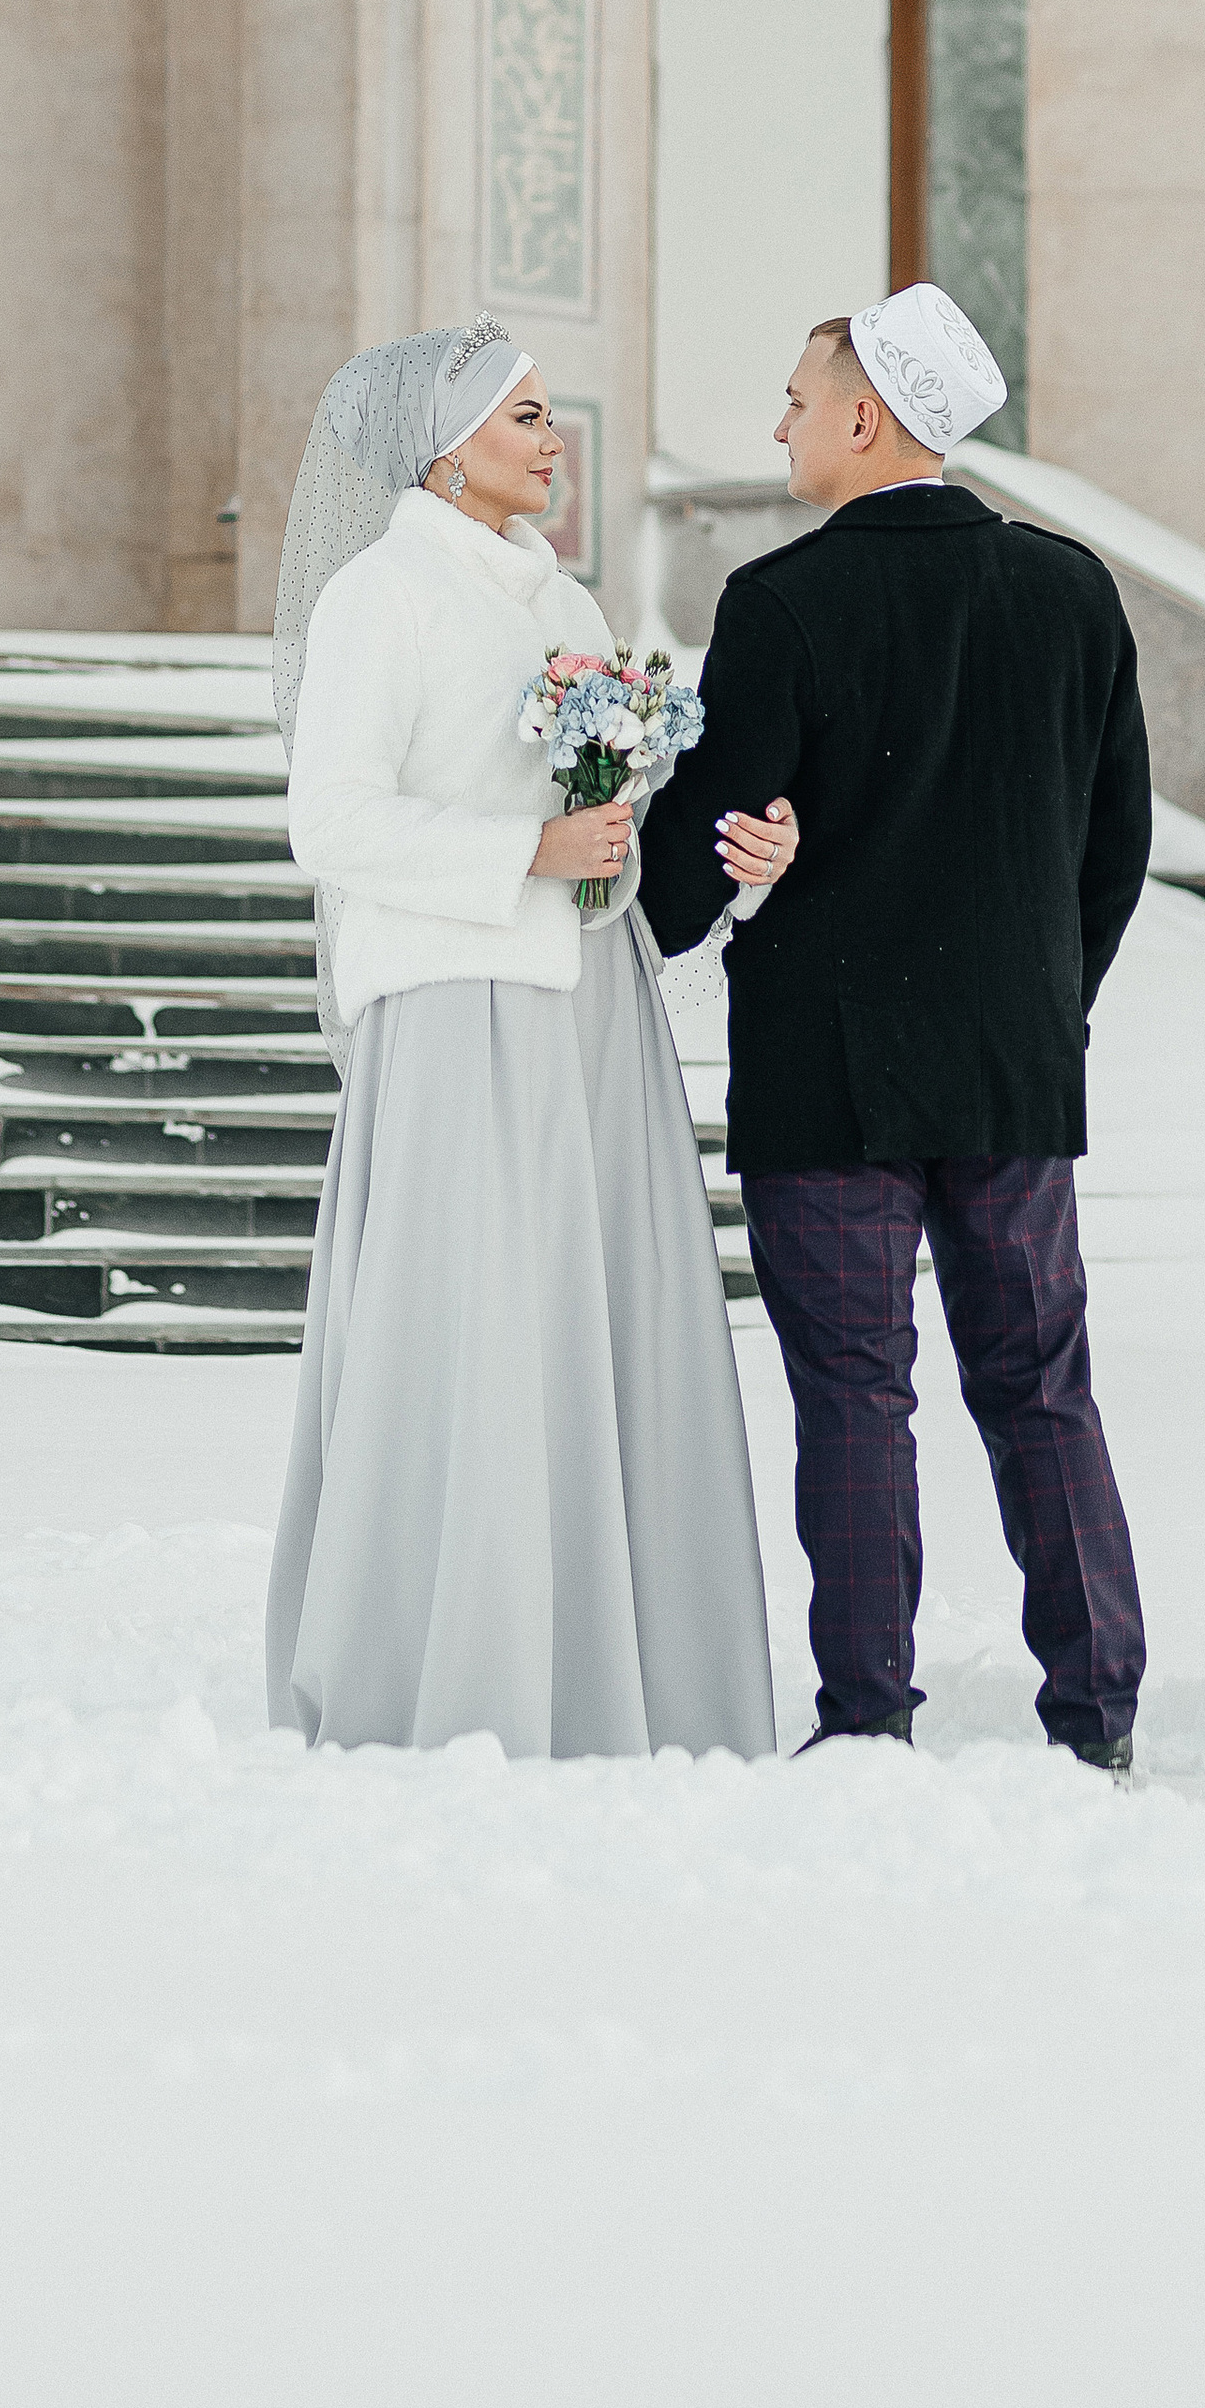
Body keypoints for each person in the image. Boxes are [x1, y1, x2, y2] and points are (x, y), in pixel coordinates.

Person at [264, 318, 794, 1759]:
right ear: (446, 449)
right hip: (453, 1007)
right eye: (526, 417)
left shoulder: (565, 611)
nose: (553, 441)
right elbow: (332, 821)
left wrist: (694, 855)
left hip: (587, 1011)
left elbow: (605, 833)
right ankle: (449, 1675)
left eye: (552, 415)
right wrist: (526, 847)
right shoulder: (382, 598)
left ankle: (615, 1676)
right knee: (476, 1336)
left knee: (594, 1330)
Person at [640, 284, 1153, 1768]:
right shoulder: (1071, 592)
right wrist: (1049, 1004)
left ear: (867, 417)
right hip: (1013, 1070)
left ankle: (867, 1720)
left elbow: (692, 876)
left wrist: (633, 832)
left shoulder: (784, 603)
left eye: (799, 399)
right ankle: (1098, 1716)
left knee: (855, 1398)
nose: (781, 424)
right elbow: (1113, 846)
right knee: (1042, 1387)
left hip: (829, 1077)